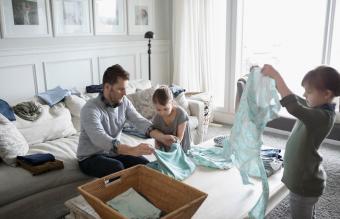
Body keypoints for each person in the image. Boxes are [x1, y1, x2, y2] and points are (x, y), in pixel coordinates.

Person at [261, 64, 340, 219]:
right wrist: (275, 83)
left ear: (326, 94)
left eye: (309, 91)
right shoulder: (317, 109)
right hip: (306, 178)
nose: (304, 95)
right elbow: (296, 100)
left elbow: (294, 107)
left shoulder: (322, 118)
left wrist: (276, 75)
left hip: (304, 184)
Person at [77, 64, 176, 178]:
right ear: (107, 87)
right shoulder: (90, 109)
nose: (125, 93)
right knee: (116, 168)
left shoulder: (123, 102)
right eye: (121, 89)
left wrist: (162, 137)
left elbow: (139, 121)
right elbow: (100, 139)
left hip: (113, 153)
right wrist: (132, 150)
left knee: (146, 166)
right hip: (90, 157)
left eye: (125, 89)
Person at [152, 85, 192, 153]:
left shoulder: (181, 114)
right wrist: (158, 150)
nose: (162, 113)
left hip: (181, 146)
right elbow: (157, 139)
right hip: (166, 147)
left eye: (165, 109)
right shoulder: (156, 118)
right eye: (158, 109)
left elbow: (180, 138)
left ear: (172, 103)